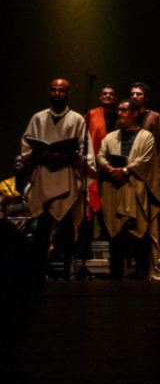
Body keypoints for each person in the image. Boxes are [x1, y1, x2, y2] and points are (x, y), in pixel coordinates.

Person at [20, 79, 95, 277]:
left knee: (68, 227)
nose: (57, 93)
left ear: (68, 94)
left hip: (66, 176)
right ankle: (37, 272)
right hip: (44, 176)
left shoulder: (77, 119)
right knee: (42, 228)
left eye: (62, 90)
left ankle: (68, 269)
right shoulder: (38, 118)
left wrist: (65, 155)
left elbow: (85, 150)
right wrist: (41, 154)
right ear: (49, 92)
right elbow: (27, 148)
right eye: (54, 90)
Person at [97, 99, 160, 279]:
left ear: (135, 113)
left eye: (124, 110)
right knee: (115, 234)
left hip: (135, 190)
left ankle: (141, 272)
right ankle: (116, 272)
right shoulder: (110, 137)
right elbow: (100, 156)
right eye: (119, 110)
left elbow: (145, 160)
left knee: (139, 231)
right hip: (114, 189)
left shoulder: (146, 136)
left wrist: (124, 171)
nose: (120, 113)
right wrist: (110, 170)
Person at [83, 84, 118, 240]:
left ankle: (113, 232)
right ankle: (101, 232)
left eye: (111, 94)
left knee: (114, 199)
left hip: (117, 162)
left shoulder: (121, 114)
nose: (108, 96)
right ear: (100, 97)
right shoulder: (91, 115)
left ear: (115, 98)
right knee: (96, 198)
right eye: (105, 93)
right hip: (96, 162)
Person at [129, 82, 160, 178]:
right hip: (129, 162)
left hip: (149, 163)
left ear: (146, 98)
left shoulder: (154, 117)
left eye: (139, 94)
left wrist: (159, 168)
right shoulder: (126, 116)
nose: (135, 97)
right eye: (132, 94)